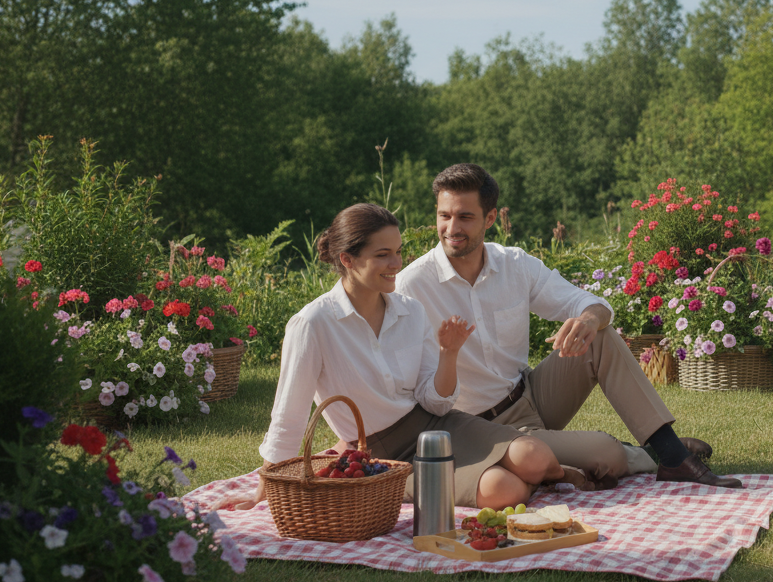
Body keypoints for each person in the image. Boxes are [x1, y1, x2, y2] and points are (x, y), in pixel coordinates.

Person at [394, 164, 742, 489]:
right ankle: (645, 455)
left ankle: (671, 453)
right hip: (480, 429)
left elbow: (592, 304)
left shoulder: (515, 264)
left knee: (598, 333)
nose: (452, 228)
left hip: (532, 395)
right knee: (607, 454)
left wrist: (586, 320)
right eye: (444, 216)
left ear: (490, 219)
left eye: (465, 217)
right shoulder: (411, 286)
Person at [220, 203, 583, 512]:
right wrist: (262, 492)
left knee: (534, 456)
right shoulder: (312, 324)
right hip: (382, 459)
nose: (397, 263)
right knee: (503, 491)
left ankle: (548, 476)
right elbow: (289, 414)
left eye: (398, 251)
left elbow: (436, 402)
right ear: (347, 259)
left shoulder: (410, 310)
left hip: (437, 427)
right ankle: (526, 482)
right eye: (383, 255)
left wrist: (448, 355)